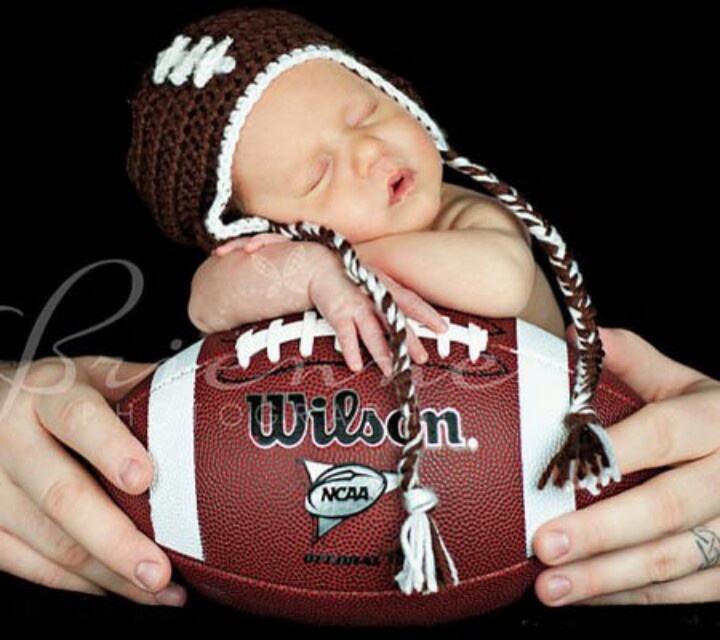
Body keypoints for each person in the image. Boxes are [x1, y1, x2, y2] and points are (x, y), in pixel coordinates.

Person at [1, 5, 718, 607]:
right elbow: (205, 300)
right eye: (318, 175)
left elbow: (498, 285)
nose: (368, 151)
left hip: (527, 481)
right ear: (261, 235)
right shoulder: (288, 259)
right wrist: (303, 271)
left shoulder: (466, 215)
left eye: (365, 112)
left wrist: (345, 261)